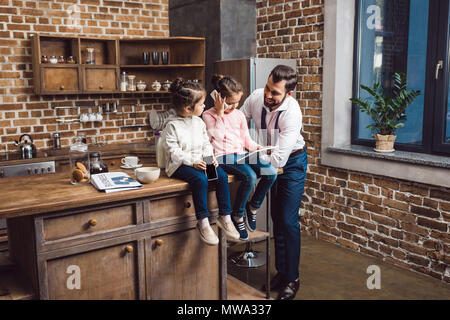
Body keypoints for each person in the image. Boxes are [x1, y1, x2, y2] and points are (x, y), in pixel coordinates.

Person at [240, 65, 308, 300]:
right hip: (266, 158)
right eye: (268, 87)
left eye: (275, 93)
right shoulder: (257, 96)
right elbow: (238, 122)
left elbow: (279, 158)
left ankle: (292, 279)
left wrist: (248, 155)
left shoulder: (293, 113)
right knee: (276, 219)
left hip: (291, 163)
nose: (268, 95)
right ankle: (282, 272)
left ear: (288, 94)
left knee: (288, 221)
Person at [160, 78, 240, 246]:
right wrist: (193, 162)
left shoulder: (199, 122)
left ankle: (225, 217)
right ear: (189, 108)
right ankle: (202, 222)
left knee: (221, 176)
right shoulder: (171, 126)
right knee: (201, 179)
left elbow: (206, 143)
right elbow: (173, 152)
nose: (205, 106)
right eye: (202, 104)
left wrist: (210, 160)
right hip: (180, 165)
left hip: (201, 162)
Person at [202, 75, 277, 241]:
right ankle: (237, 216)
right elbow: (216, 138)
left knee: (271, 172)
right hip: (222, 156)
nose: (235, 106)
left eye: (237, 102)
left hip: (241, 154)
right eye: (230, 102)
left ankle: (253, 207)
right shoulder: (208, 115)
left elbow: (245, 139)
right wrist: (220, 113)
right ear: (219, 98)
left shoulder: (238, 115)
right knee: (249, 176)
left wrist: (258, 147)